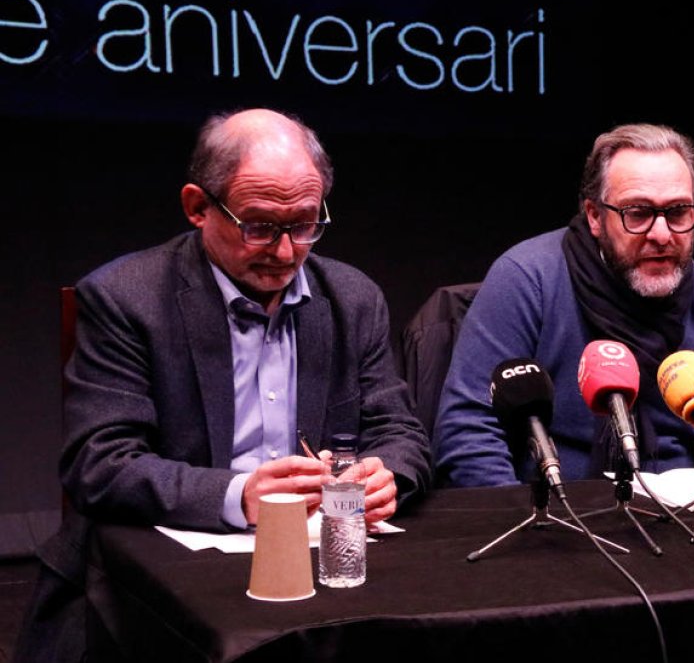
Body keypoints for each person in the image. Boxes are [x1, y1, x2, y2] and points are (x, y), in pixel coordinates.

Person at [16, 109, 430, 662]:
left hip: (319, 574)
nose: (285, 253)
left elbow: (398, 430)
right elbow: (101, 462)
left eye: (304, 225)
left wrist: (388, 476)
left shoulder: (352, 298)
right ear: (198, 206)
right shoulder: (126, 298)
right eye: (259, 226)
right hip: (157, 580)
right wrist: (239, 497)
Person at [434, 123, 694, 500]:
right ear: (595, 217)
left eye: (679, 211)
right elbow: (469, 427)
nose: (662, 233)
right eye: (638, 213)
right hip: (556, 517)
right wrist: (520, 522)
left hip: (686, 517)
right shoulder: (525, 280)